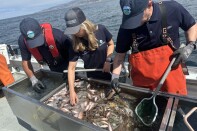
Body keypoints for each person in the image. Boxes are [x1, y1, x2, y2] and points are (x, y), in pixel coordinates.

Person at [110, 0, 197, 96]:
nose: (133, 23)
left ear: (149, 4)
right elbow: (120, 56)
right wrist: (114, 77)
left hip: (172, 79)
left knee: (174, 107)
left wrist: (190, 45)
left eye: (137, 17)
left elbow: (191, 26)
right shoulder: (127, 26)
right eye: (130, 18)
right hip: (142, 85)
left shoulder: (173, 8)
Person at [64, 7, 115, 105]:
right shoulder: (74, 43)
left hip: (108, 71)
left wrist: (108, 60)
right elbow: (71, 68)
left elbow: (111, 44)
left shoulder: (101, 29)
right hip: (92, 77)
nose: (75, 33)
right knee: (96, 102)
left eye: (77, 29)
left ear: (85, 24)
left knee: (111, 100)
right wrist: (72, 91)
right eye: (72, 30)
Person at [18, 18, 72, 93]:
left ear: (42, 29)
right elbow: (25, 61)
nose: (36, 45)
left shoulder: (58, 35)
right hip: (52, 66)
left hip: (67, 63)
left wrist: (70, 69)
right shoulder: (22, 41)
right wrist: (33, 80)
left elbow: (73, 53)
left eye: (38, 39)